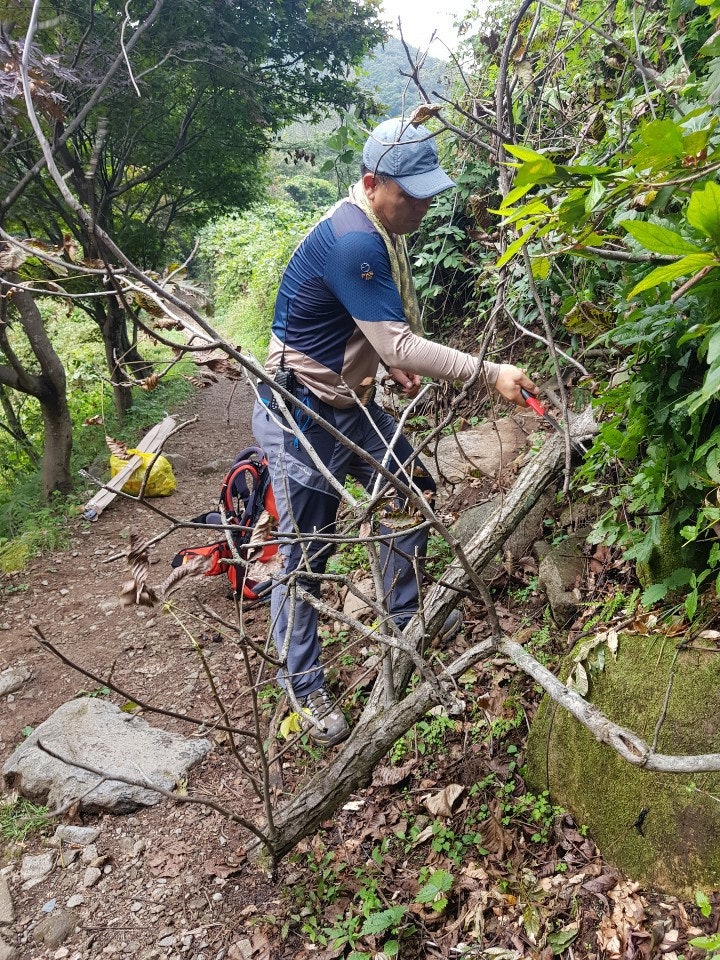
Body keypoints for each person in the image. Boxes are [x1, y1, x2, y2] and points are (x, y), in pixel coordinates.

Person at [252, 116, 536, 746]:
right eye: (411, 195)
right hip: (300, 411)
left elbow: (364, 329)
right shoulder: (355, 241)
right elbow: (399, 341)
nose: (423, 207)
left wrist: (380, 362)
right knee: (306, 553)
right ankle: (301, 683)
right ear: (372, 183)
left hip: (348, 400)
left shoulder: (377, 229)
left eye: (428, 193)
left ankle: (406, 618)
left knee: (409, 490)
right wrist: (488, 372)